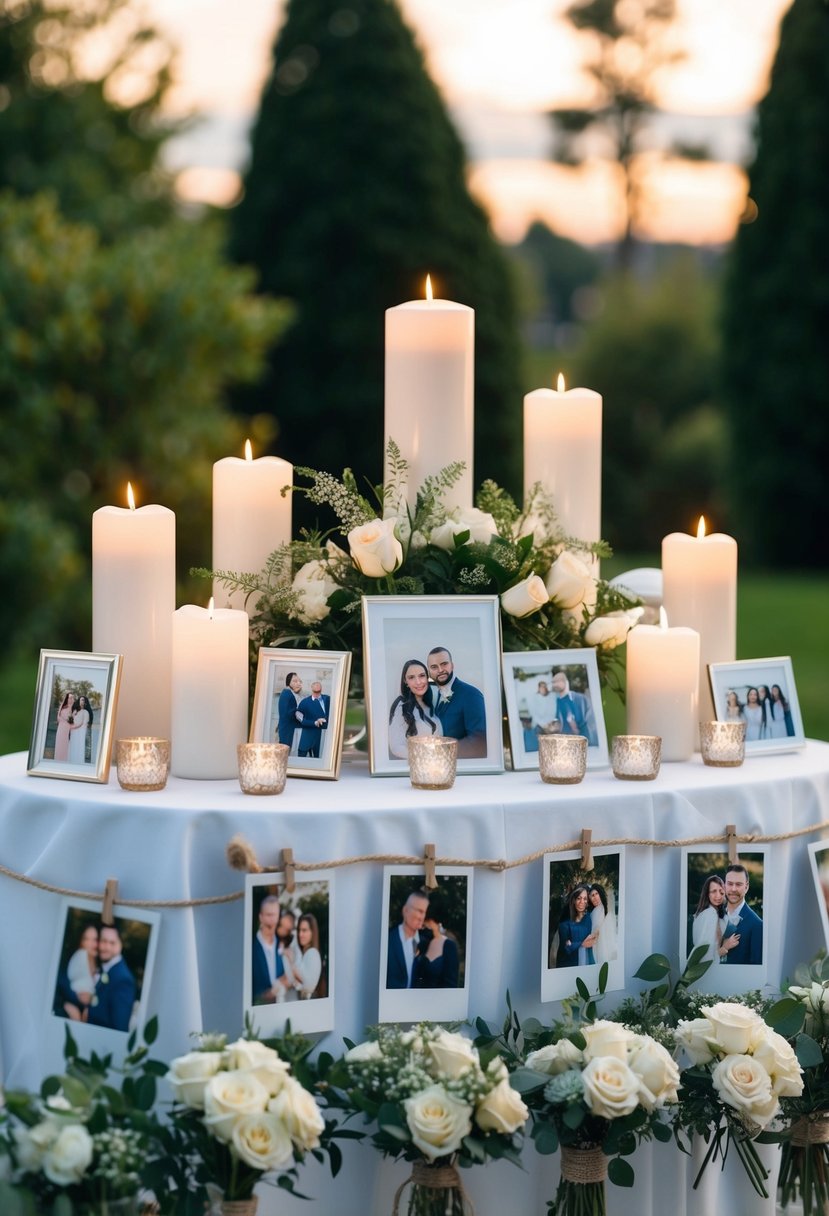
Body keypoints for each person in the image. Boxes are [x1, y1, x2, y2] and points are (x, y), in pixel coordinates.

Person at [426, 647, 487, 759]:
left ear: (452, 665)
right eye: (434, 667)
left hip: (463, 768)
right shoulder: (435, 695)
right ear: (429, 672)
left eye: (444, 664)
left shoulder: (471, 694)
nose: (440, 670)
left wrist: (441, 753)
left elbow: (479, 740)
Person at [388, 659, 443, 759]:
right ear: (405, 681)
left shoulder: (431, 704)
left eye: (422, 676)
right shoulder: (402, 706)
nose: (418, 682)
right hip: (417, 767)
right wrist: (423, 759)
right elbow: (396, 746)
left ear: (427, 677)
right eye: (411, 677)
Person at [86, 925, 136, 1032]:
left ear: (120, 945)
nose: (106, 947)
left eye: (112, 943)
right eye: (103, 941)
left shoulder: (123, 980)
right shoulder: (102, 968)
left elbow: (119, 1028)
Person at [386, 889, 430, 988]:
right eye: (419, 911)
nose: (421, 917)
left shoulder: (426, 945)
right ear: (405, 910)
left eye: (424, 912)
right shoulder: (387, 940)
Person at [721, 863, 763, 965]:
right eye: (730, 884)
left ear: (746, 887)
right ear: (724, 885)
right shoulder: (715, 915)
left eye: (738, 884)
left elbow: (756, 967)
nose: (733, 889)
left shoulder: (757, 924)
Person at [690, 875, 738, 965]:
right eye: (713, 891)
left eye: (721, 892)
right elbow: (704, 957)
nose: (718, 896)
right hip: (706, 969)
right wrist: (724, 948)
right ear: (707, 894)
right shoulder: (709, 915)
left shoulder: (718, 915)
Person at [252, 893, 286, 1004]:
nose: (272, 919)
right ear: (260, 917)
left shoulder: (283, 945)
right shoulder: (251, 948)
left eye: (274, 915)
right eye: (268, 915)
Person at [550, 671, 598, 746]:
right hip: (564, 745)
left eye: (558, 681)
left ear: (566, 682)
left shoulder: (581, 699)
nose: (555, 684)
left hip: (584, 743)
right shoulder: (555, 703)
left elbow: (590, 724)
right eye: (553, 682)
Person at [556, 886, 597, 967]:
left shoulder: (588, 918)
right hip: (570, 964)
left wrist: (573, 944)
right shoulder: (565, 923)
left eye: (585, 899)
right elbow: (565, 948)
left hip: (587, 961)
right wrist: (582, 944)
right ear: (574, 900)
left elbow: (592, 939)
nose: (582, 901)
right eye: (579, 898)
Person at [416, 912, 460, 989]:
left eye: (429, 921)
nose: (426, 925)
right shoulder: (423, 944)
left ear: (438, 923)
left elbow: (451, 984)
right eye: (423, 924)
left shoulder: (449, 945)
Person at [286, 913, 323, 1000]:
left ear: (312, 932)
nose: (300, 934)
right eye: (299, 930)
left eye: (304, 930)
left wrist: (291, 963)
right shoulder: (301, 953)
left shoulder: (312, 953)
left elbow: (308, 985)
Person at [297, 681, 330, 758]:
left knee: (319, 758)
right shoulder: (304, 702)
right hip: (307, 734)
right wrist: (314, 722)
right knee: (302, 757)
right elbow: (300, 719)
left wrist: (325, 719)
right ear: (311, 690)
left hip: (323, 734)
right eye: (315, 692)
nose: (317, 694)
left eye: (318, 692)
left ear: (321, 690)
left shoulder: (327, 699)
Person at [588, 884, 618, 967]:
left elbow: (595, 931)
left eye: (596, 894)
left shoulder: (601, 909)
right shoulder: (596, 911)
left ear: (600, 894)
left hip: (601, 945)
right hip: (599, 946)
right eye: (592, 895)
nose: (595, 897)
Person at [277, 673, 303, 750]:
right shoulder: (287, 694)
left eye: (299, 681)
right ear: (288, 682)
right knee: (285, 753)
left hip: (287, 728)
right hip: (287, 729)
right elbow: (289, 713)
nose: (298, 683)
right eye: (295, 681)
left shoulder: (289, 693)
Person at [68, 696, 92, 765]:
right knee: (73, 745)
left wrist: (74, 727)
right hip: (74, 731)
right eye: (81, 700)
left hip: (80, 732)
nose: (82, 701)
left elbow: (82, 723)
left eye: (83, 700)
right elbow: (71, 720)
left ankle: (79, 762)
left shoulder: (86, 712)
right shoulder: (75, 711)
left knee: (79, 745)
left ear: (85, 702)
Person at [53, 691, 76, 762]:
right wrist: (67, 720)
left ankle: (64, 761)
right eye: (70, 698)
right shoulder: (63, 707)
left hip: (68, 731)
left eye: (72, 697)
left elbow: (73, 722)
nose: (71, 699)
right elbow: (59, 718)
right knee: (60, 745)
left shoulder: (74, 709)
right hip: (61, 730)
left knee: (66, 746)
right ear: (67, 699)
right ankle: (58, 760)